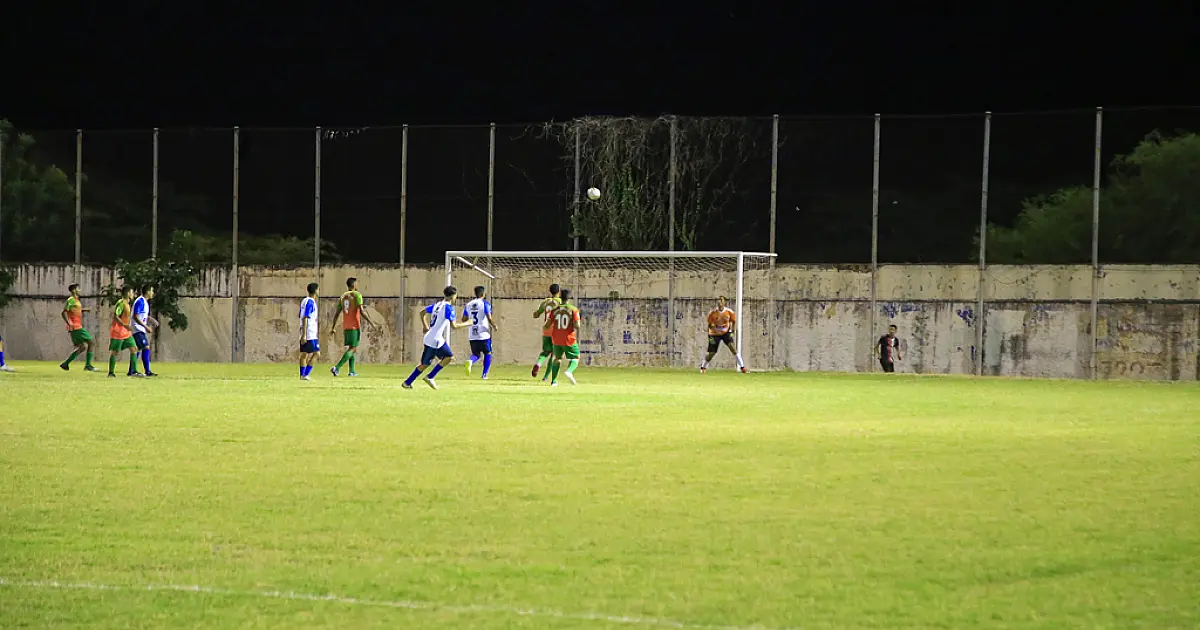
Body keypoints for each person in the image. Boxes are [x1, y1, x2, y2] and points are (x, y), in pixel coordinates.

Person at [403, 285, 471, 390]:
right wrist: (468, 323)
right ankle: (408, 382)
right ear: (453, 296)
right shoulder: (449, 308)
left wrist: (425, 326)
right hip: (434, 341)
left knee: (449, 357)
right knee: (424, 365)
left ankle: (429, 377)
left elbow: (422, 312)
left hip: (435, 338)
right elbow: (454, 326)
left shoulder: (437, 304)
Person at [329, 277, 374, 377]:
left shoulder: (343, 296)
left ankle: (352, 371)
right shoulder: (357, 295)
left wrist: (333, 327)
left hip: (346, 326)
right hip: (354, 326)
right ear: (354, 284)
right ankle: (337, 368)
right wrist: (371, 323)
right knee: (353, 348)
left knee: (351, 347)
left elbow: (337, 313)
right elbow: (362, 311)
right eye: (356, 283)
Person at [700, 296, 747, 374]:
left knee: (732, 348)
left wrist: (732, 331)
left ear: (724, 303)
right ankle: (703, 367)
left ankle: (742, 367)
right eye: (718, 301)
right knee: (712, 353)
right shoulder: (713, 313)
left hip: (726, 333)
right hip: (714, 334)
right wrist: (714, 330)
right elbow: (710, 325)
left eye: (721, 301)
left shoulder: (729, 312)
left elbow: (734, 321)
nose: (719, 303)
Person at [60, 283, 97, 372]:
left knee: (82, 347)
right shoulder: (71, 300)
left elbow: (74, 310)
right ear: (74, 290)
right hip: (76, 327)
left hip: (75, 327)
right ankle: (88, 366)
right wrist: (69, 323)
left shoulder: (76, 300)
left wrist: (85, 310)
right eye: (78, 289)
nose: (79, 290)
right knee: (91, 343)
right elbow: (64, 312)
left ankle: (65, 364)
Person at [549, 289, 582, 386]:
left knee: (557, 358)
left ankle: (553, 382)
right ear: (569, 298)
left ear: (560, 297)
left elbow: (547, 325)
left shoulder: (554, 310)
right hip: (568, 338)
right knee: (576, 357)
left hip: (556, 338)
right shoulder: (573, 309)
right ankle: (569, 371)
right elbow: (577, 326)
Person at [463, 285, 496, 379]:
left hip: (472, 334)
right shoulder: (485, 304)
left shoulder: (468, 305)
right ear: (483, 294)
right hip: (483, 334)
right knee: (487, 353)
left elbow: (464, 319)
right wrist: (494, 325)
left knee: (476, 354)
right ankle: (484, 375)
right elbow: (489, 318)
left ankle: (470, 361)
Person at [107, 286, 141, 378]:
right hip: (118, 331)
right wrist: (124, 325)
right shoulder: (121, 303)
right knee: (115, 352)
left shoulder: (127, 303)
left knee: (134, 348)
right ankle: (111, 373)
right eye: (132, 292)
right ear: (128, 293)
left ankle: (134, 371)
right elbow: (116, 316)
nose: (133, 294)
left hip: (126, 332)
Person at [531, 283, 561, 380]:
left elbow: (536, 315)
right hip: (556, 331)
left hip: (546, 330)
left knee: (545, 352)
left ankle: (538, 363)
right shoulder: (560, 302)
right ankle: (546, 377)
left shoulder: (546, 302)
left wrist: (537, 312)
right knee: (554, 355)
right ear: (559, 291)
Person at [131, 285, 160, 377]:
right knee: (145, 347)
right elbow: (135, 316)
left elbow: (143, 316)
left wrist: (151, 320)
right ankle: (146, 371)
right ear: (147, 292)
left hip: (140, 329)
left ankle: (132, 370)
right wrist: (146, 326)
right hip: (137, 328)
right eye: (152, 291)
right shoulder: (140, 301)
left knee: (137, 349)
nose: (153, 293)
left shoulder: (145, 302)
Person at [298, 283, 320, 380]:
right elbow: (305, 317)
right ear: (315, 291)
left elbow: (300, 315)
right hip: (309, 332)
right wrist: (304, 335)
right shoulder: (311, 302)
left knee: (304, 354)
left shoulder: (304, 301)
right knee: (316, 353)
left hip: (305, 330)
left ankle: (302, 375)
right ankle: (305, 374)